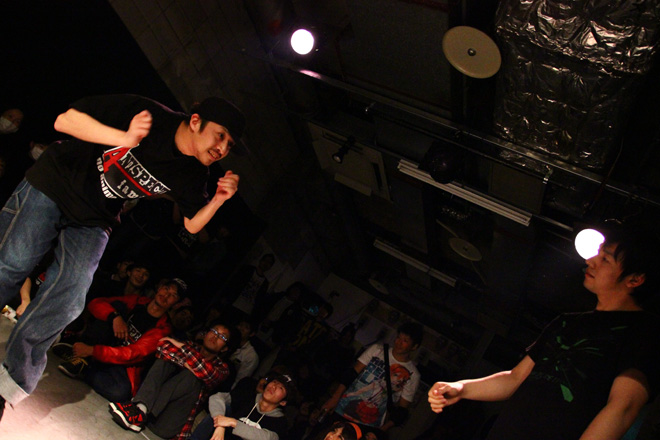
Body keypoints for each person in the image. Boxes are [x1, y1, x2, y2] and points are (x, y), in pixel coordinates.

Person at [0, 94, 246, 418]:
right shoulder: (150, 116)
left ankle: (7, 385)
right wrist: (125, 138)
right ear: (196, 122)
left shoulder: (194, 174)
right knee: (12, 265)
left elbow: (191, 223)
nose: (222, 148)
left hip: (96, 217)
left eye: (230, 145)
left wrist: (218, 200)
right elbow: (65, 121)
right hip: (56, 182)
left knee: (70, 296)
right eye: (220, 135)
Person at [428, 226, 660, 440]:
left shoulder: (645, 331)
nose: (590, 261)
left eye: (605, 259)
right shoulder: (566, 322)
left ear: (635, 279)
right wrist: (461, 388)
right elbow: (515, 378)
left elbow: (623, 407)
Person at [53, 278, 186, 402]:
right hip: (106, 343)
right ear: (160, 288)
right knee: (115, 308)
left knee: (120, 392)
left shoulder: (163, 328)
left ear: (175, 303)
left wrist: (93, 351)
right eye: (166, 289)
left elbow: (133, 354)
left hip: (121, 363)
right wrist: (115, 317)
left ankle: (83, 363)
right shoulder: (137, 301)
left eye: (173, 295)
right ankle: (82, 359)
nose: (166, 295)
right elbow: (96, 303)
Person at [109, 321, 238, 439]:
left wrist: (182, 350)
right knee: (165, 362)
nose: (215, 336)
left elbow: (208, 374)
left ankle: (140, 413)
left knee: (192, 377)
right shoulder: (190, 345)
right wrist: (189, 363)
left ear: (224, 348)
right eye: (214, 331)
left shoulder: (222, 368)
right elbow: (162, 346)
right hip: (149, 408)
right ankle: (140, 410)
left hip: (167, 423)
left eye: (222, 337)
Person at [320, 322, 423, 439]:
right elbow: (351, 374)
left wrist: (381, 430)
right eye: (398, 337)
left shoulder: (413, 374)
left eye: (405, 341)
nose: (399, 342)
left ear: (414, 346)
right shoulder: (377, 350)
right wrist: (334, 398)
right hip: (342, 409)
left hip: (368, 424)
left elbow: (402, 410)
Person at [190, 373, 295, 440]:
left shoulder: (280, 422)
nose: (274, 387)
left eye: (281, 388)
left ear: (283, 402)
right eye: (274, 382)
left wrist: (233, 422)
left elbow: (268, 437)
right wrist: (220, 424)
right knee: (222, 409)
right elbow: (217, 397)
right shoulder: (247, 396)